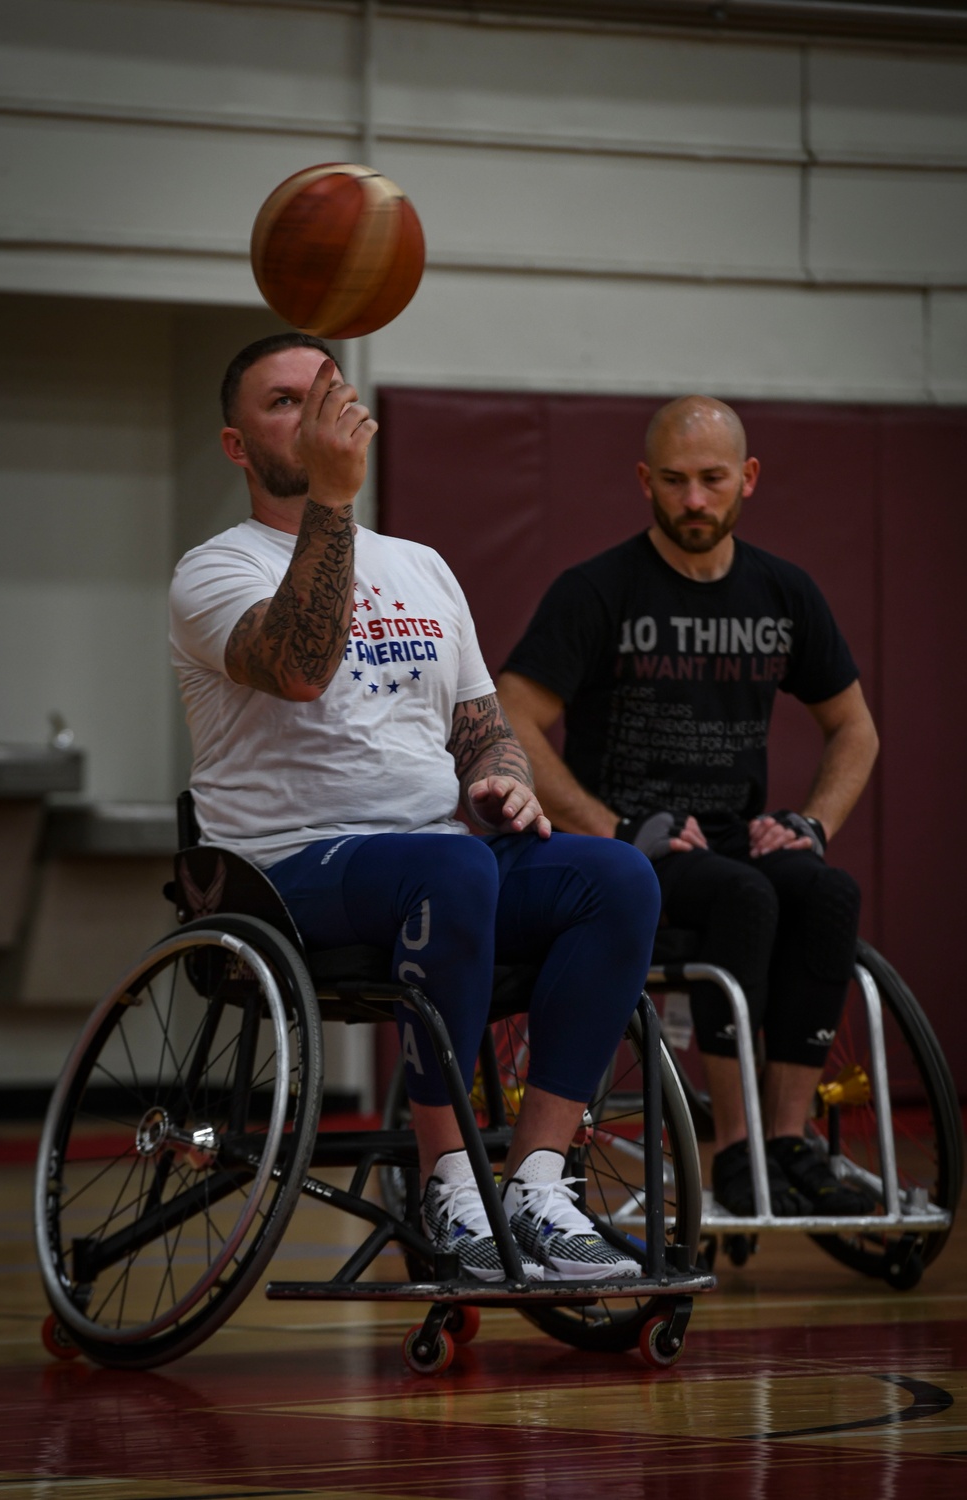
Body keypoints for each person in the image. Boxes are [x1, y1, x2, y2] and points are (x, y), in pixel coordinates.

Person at [169, 331, 662, 1283]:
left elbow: (485, 723)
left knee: (618, 877)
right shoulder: (213, 570)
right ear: (237, 446)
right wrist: (333, 502)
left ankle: (538, 1184)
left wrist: (502, 774)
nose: (315, 415)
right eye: (284, 402)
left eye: (327, 393)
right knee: (451, 865)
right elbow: (302, 671)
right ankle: (452, 1180)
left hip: (443, 860)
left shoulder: (424, 567)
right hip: (282, 872)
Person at [498, 395, 880, 1218]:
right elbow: (510, 715)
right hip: (628, 851)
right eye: (674, 481)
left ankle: (786, 1143)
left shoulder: (783, 592)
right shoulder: (598, 590)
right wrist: (611, 827)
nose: (695, 501)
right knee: (742, 896)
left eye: (712, 480)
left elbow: (854, 729)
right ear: (645, 481)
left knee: (826, 890)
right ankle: (732, 1150)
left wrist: (813, 822)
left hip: (733, 836)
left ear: (748, 477)